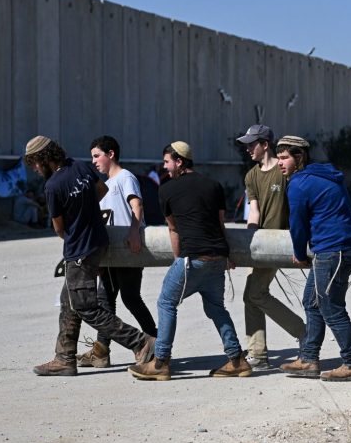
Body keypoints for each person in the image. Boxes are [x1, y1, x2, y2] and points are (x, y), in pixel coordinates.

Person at [23, 135, 156, 377]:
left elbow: (59, 228)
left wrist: (77, 223)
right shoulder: (80, 167)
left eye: (34, 163)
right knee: (69, 301)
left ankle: (140, 342)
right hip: (98, 243)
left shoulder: (53, 186)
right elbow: (101, 190)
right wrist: (85, 211)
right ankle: (64, 358)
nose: (34, 169)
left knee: (86, 307)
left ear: (44, 159)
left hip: (79, 251)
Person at [126, 141, 249, 381]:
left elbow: (174, 230)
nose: (164, 167)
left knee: (166, 302)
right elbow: (219, 224)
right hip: (217, 258)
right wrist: (228, 255)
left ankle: (160, 362)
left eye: (167, 162)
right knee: (216, 308)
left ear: (179, 161)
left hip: (192, 258)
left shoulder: (166, 190)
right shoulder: (214, 185)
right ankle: (237, 360)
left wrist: (177, 261)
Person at [275, 136, 351, 382]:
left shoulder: (298, 183)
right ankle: (308, 359)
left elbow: (297, 224)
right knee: (312, 302)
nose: (279, 163)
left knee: (331, 307)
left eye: (284, 157)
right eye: (278, 157)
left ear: (300, 157)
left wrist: (298, 252)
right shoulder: (326, 174)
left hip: (333, 250)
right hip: (338, 247)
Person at [76, 135, 158, 369]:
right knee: (105, 300)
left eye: (97, 155)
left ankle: (157, 344)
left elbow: (137, 205)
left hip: (128, 249)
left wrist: (134, 233)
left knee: (130, 298)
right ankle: (101, 352)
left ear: (110, 154)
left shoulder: (125, 177)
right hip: (111, 253)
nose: (94, 161)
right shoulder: (105, 185)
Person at [235, 124, 307, 369]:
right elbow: (253, 212)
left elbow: (297, 206)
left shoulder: (284, 169)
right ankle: (258, 353)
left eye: (251, 144)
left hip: (281, 242)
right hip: (260, 243)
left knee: (255, 293)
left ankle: (303, 333)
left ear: (265, 144)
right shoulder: (251, 176)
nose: (247, 149)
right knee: (250, 296)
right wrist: (249, 242)